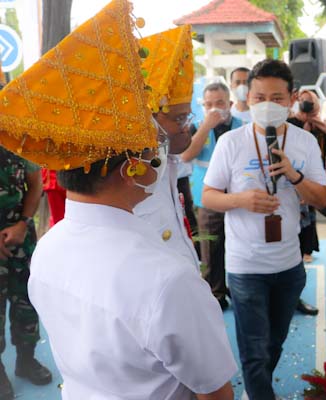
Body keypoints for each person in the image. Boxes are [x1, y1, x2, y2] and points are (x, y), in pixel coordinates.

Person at [0, 1, 237, 398]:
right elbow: (215, 392)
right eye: (151, 145)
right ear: (133, 168)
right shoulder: (167, 281)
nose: (159, 151)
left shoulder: (48, 248)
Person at [202, 59, 326, 400]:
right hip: (245, 267)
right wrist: (241, 200)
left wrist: (294, 176)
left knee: (274, 342)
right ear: (248, 98)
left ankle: (258, 388)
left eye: (276, 98)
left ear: (291, 99)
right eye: (259, 98)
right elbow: (209, 196)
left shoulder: (305, 142)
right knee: (254, 351)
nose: (267, 105)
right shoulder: (231, 142)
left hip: (288, 266)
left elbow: (321, 198)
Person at [133, 24, 200, 270]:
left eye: (187, 117)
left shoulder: (167, 164)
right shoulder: (133, 181)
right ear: (148, 121)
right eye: (179, 119)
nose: (186, 127)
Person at [181, 83, 244, 310]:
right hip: (207, 198)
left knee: (239, 246)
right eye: (208, 104)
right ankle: (215, 295)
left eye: (219, 103)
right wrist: (206, 126)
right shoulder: (197, 127)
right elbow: (186, 155)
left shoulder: (243, 127)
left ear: (230, 104)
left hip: (238, 197)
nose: (214, 108)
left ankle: (239, 290)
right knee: (211, 249)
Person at [0, 148, 50, 399]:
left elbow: (35, 183)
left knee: (27, 302)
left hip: (21, 239)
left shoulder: (16, 141)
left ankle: (26, 359)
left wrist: (23, 224)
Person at [288, 89, 326, 264]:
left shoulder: (319, 124)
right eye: (303, 100)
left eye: (309, 101)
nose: (306, 104)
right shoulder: (290, 122)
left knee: (309, 214)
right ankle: (295, 247)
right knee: (295, 212)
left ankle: (307, 248)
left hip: (312, 172)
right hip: (293, 171)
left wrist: (315, 124)